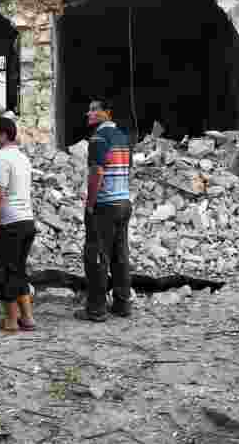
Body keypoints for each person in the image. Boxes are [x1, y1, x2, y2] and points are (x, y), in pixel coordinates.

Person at [75, 99, 132, 323]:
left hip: (105, 206)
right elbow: (125, 170)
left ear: (107, 113)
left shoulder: (99, 138)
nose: (88, 113)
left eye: (93, 109)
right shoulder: (122, 137)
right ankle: (122, 303)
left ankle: (96, 309)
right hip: (124, 203)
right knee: (120, 255)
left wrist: (90, 202)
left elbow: (97, 173)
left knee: (96, 256)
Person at [0, 115, 36, 332]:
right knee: (18, 270)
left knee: (4, 271)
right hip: (26, 221)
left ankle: (11, 320)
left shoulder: (1, 159)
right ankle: (27, 317)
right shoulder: (23, 158)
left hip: (9, 222)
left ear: (3, 134)